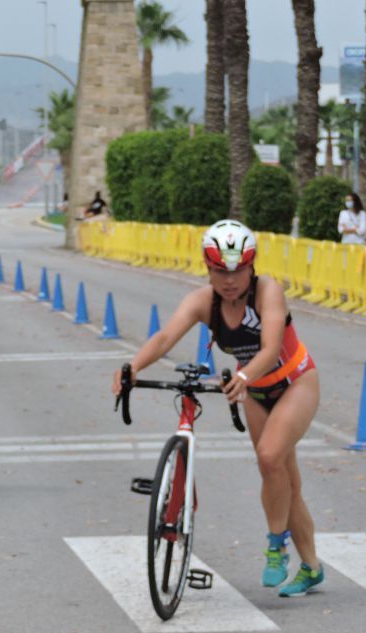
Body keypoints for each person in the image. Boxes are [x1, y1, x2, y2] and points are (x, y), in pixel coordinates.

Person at [111, 219, 324, 597]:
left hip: (295, 382)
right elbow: (164, 336)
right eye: (219, 271)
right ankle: (312, 567)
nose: (229, 280)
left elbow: (271, 348)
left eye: (238, 270)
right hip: (255, 390)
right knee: (283, 479)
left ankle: (276, 548)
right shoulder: (202, 302)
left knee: (271, 456)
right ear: (207, 269)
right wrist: (133, 367)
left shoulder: (267, 291)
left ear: (251, 266)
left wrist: (242, 378)